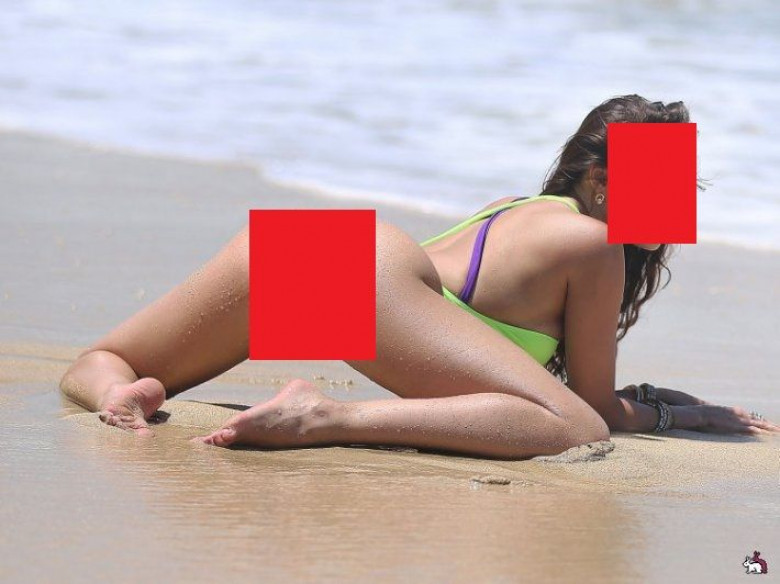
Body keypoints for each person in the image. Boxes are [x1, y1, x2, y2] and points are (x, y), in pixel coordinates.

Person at [58, 94, 779, 459]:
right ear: (601, 181)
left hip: (320, 248)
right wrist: (682, 417)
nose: (682, 202)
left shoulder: (518, 210)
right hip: (370, 275)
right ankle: (323, 417)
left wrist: (649, 398)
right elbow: (592, 411)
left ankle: (119, 396)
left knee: (104, 360)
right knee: (574, 431)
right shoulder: (593, 246)